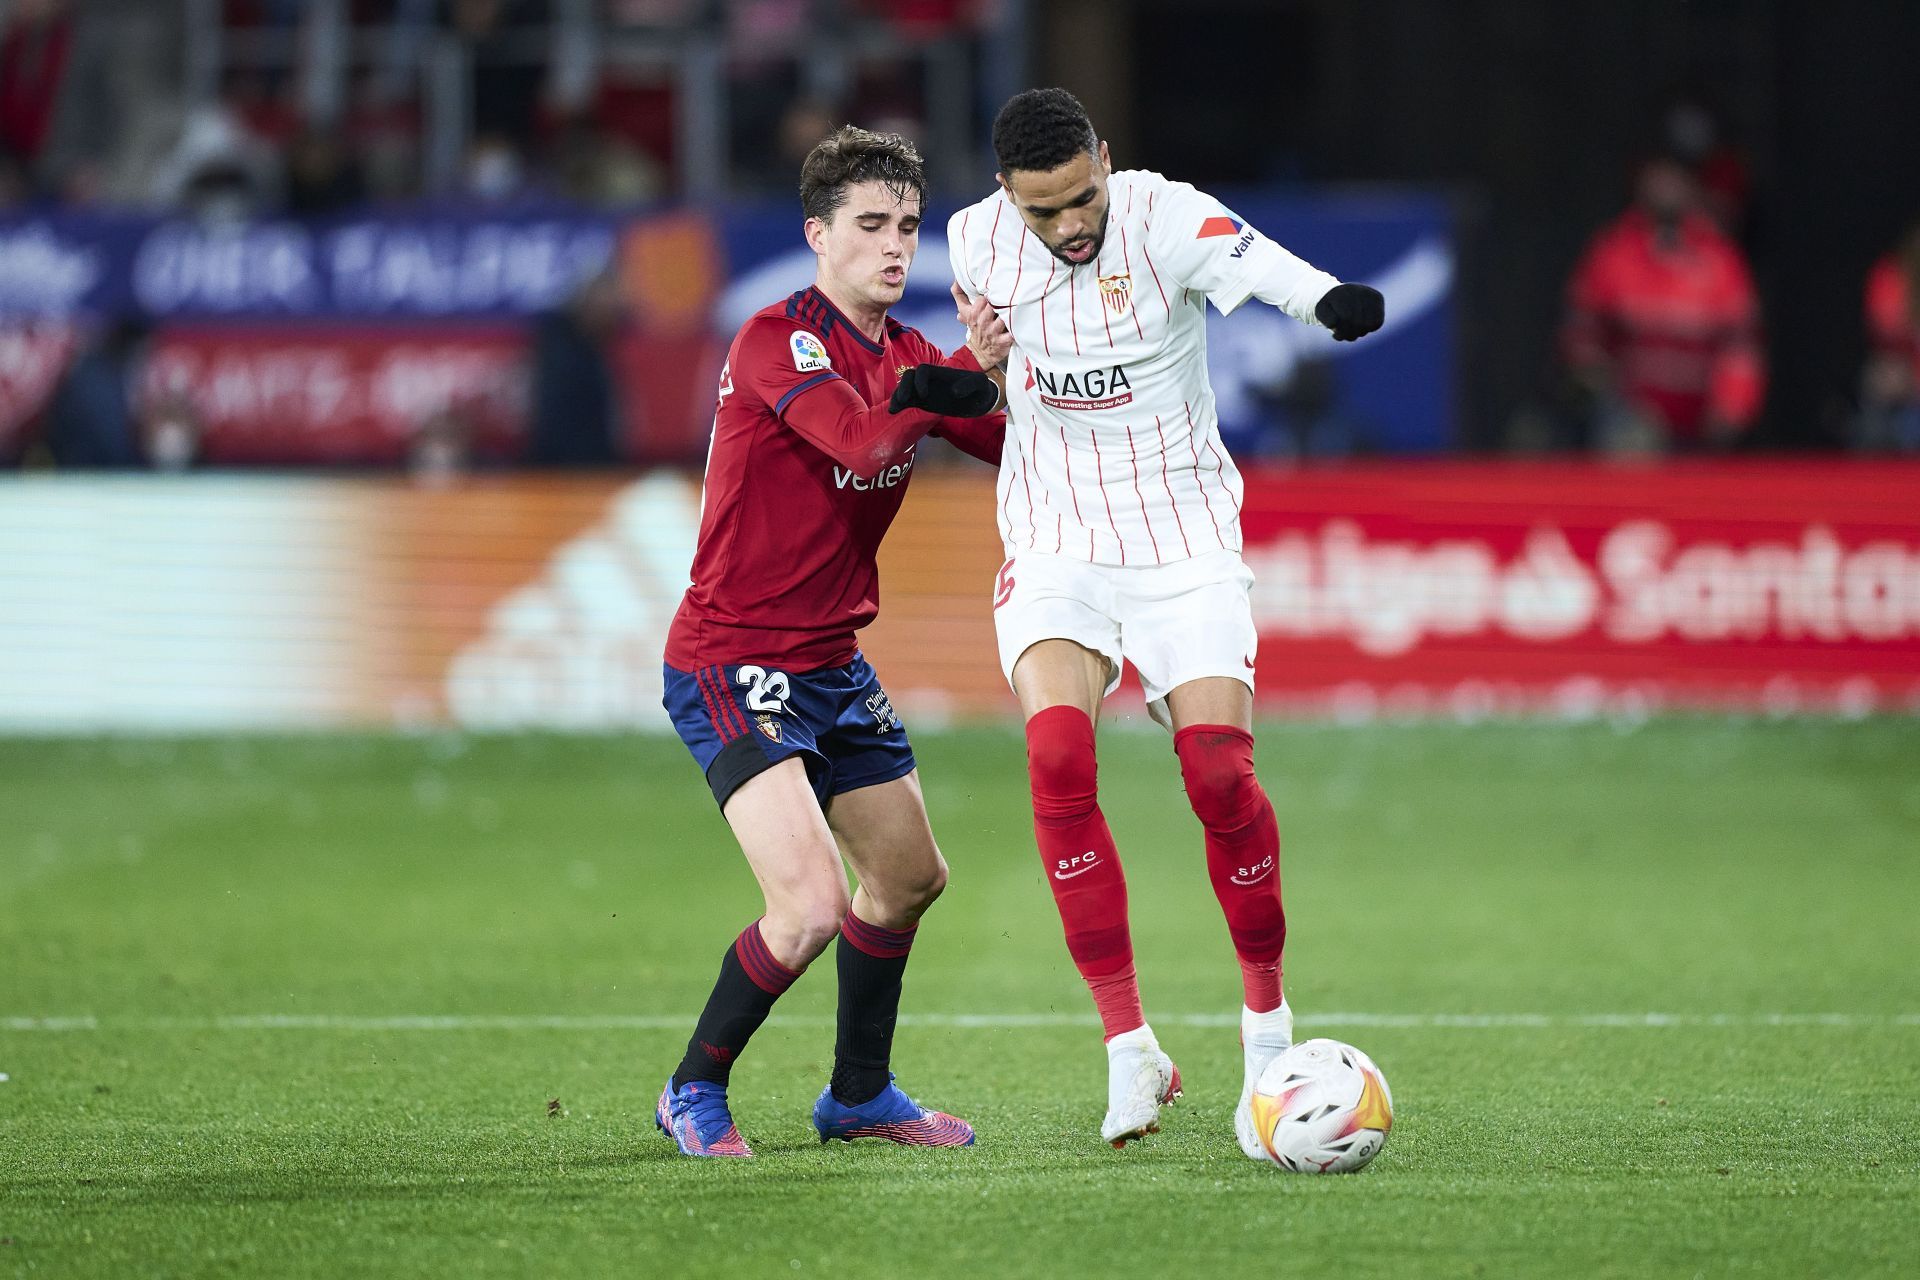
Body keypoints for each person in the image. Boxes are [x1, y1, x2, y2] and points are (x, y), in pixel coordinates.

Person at [945, 87, 1383, 1154]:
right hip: (1057, 540)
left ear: (1107, 157)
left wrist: (1328, 303)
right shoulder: (971, 242)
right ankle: (1129, 1046)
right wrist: (992, 368)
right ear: (1008, 195)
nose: (1070, 226)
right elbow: (996, 394)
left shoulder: (1161, 214)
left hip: (1183, 537)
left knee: (1219, 777)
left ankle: (1266, 1039)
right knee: (1055, 754)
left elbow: (1262, 266)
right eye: (1045, 211)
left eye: (1082, 196)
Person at [656, 125, 1009, 1158]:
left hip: (829, 662)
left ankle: (858, 1095)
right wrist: (955, 378)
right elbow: (860, 436)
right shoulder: (776, 338)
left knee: (908, 877)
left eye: (906, 225)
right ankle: (692, 1086)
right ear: (817, 234)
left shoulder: (905, 352)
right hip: (729, 655)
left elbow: (999, 437)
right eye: (870, 225)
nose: (895, 246)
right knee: (807, 904)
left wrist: (1025, 376)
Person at [1561, 154, 1765, 454]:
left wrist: (1731, 407)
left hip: (1699, 426)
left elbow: (1741, 346)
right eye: (1658, 176)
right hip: (1629, 428)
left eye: (1674, 177)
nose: (1665, 187)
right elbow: (1582, 337)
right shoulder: (1614, 252)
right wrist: (1610, 401)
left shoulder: (1718, 259)